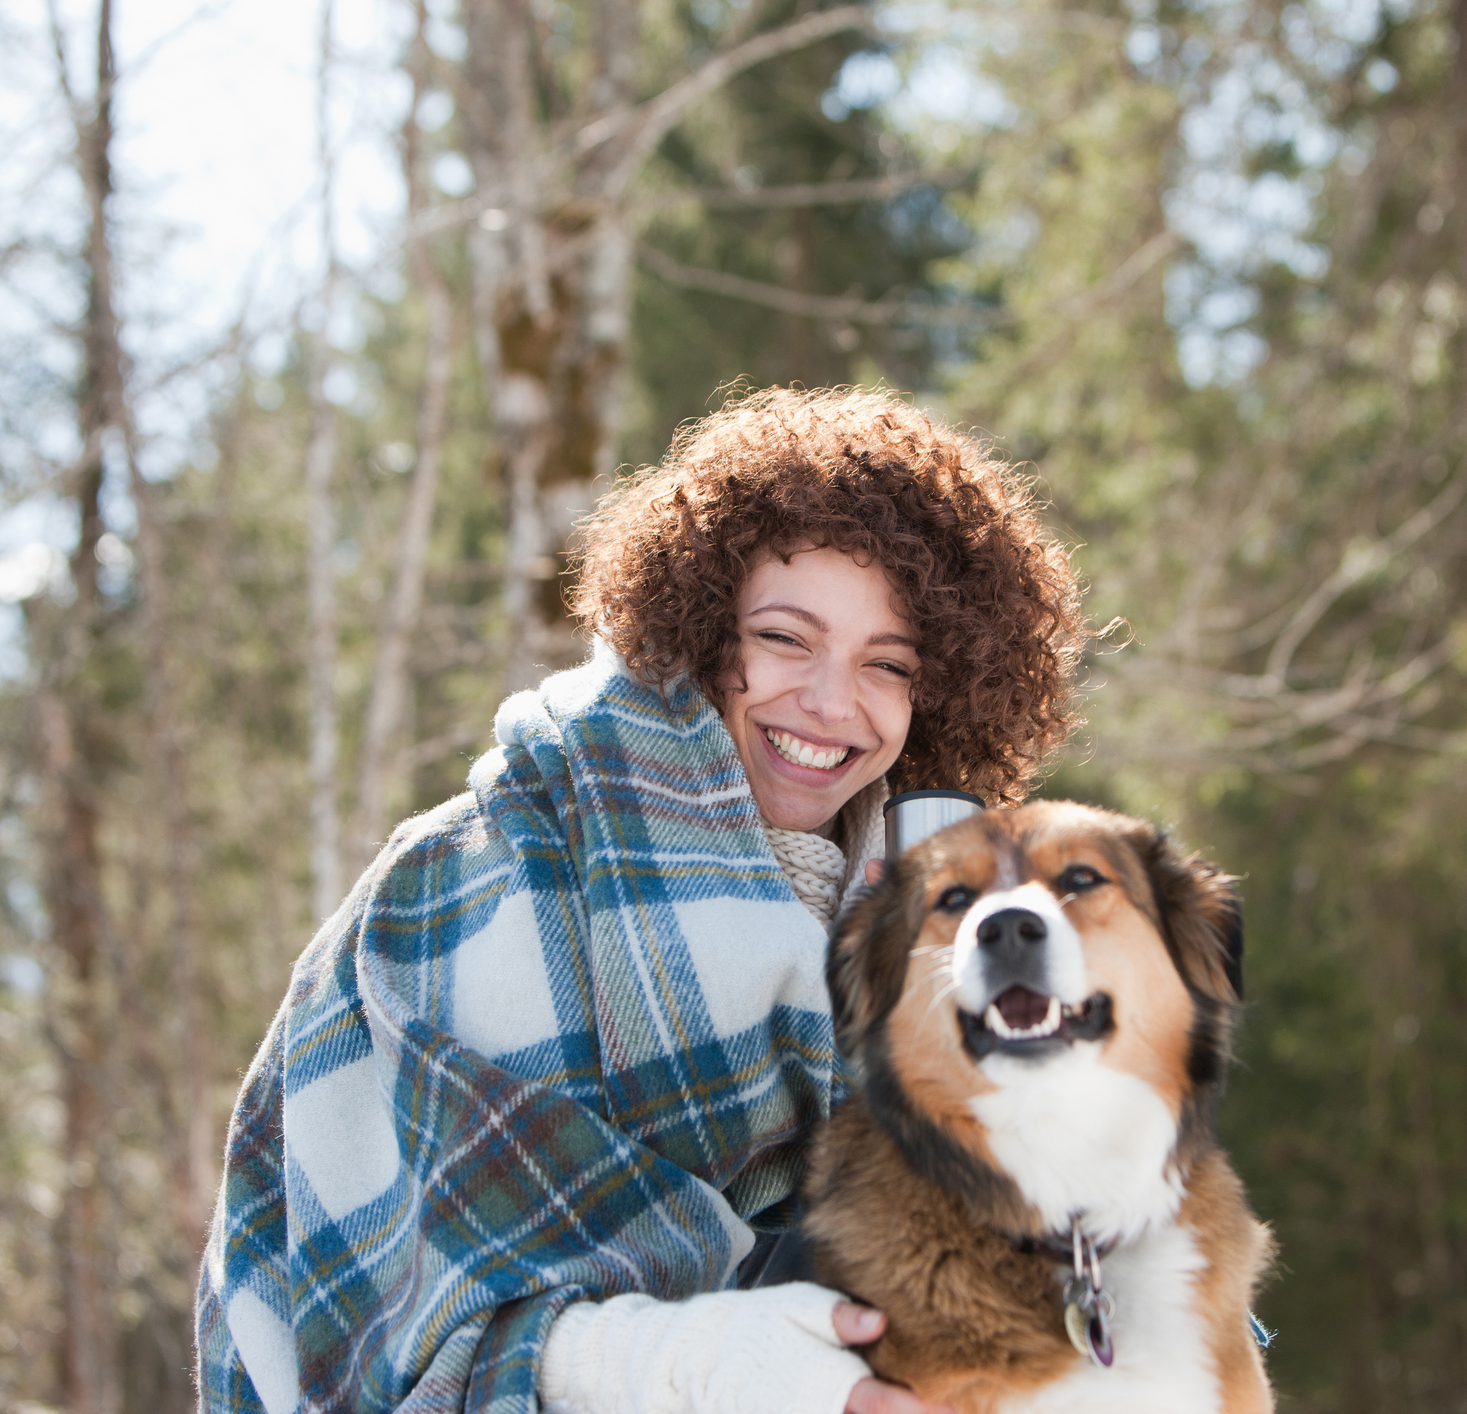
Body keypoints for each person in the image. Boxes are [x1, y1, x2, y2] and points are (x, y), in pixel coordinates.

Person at [194, 387, 1090, 1414]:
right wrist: (703, 1365)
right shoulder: (477, 876)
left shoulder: (931, 914)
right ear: (704, 627)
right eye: (785, 639)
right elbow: (376, 1311)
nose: (833, 703)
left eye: (887, 664)